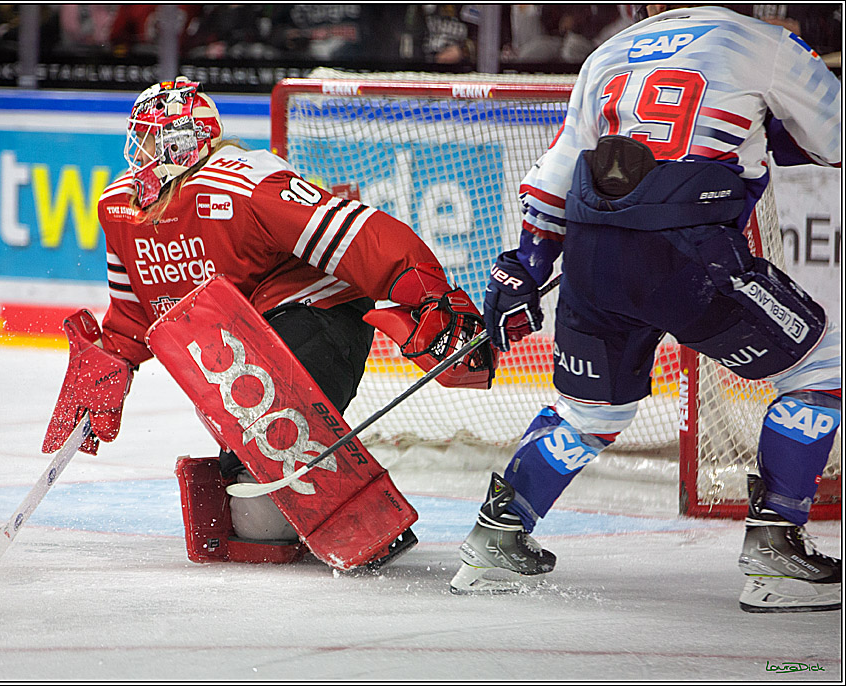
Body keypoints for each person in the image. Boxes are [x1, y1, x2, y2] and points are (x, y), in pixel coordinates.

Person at [451, 4, 841, 613]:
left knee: (590, 414)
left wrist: (527, 261)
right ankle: (777, 550)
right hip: (689, 252)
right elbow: (835, 136)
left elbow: (561, 165)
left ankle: (496, 541)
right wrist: (770, 135)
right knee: (823, 366)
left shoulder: (610, 50)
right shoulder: (762, 40)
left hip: (590, 249)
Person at [42, 77, 495, 571]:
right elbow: (135, 311)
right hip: (248, 344)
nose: (142, 151)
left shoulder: (244, 182)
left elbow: (357, 232)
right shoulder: (121, 207)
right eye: (141, 137)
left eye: (154, 138)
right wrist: (108, 364)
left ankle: (338, 495)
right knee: (254, 518)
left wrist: (427, 295)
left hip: (318, 316)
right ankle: (297, 475)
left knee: (265, 494)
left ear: (184, 141)